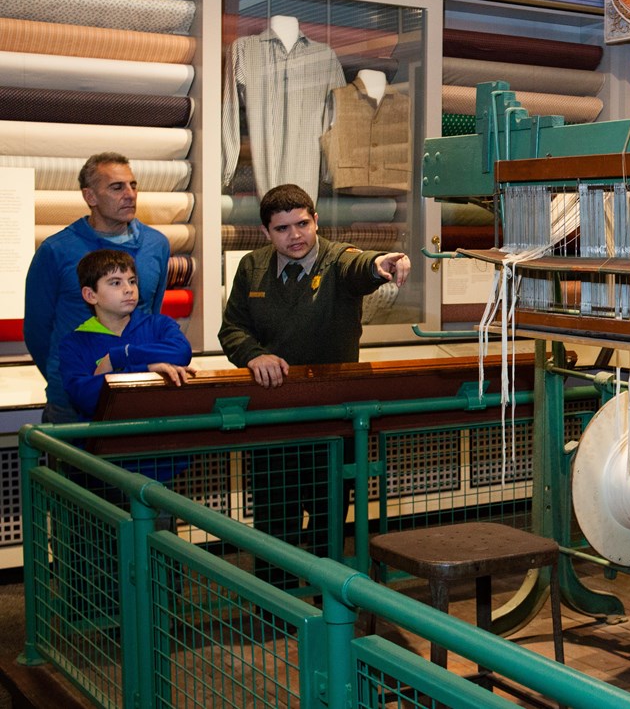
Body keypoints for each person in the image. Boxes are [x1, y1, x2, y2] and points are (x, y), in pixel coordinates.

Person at [218, 183, 409, 588]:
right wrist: (253, 355)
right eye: (282, 228)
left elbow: (360, 266)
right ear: (266, 232)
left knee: (329, 518)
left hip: (332, 419)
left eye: (303, 224)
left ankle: (330, 604)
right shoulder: (252, 266)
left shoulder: (336, 259)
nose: (296, 235)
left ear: (316, 220)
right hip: (274, 417)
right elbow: (232, 328)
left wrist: (380, 264)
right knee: (275, 522)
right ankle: (277, 604)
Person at [24, 152, 172, 424]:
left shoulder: (156, 245)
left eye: (133, 185)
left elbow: (151, 314)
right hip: (72, 401)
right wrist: (70, 376)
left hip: (136, 392)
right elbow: (37, 330)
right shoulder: (56, 250)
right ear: (90, 196)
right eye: (117, 187)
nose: (130, 195)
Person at [60, 249, 195, 482]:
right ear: (90, 295)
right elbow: (84, 395)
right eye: (115, 283)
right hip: (103, 468)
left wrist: (118, 357)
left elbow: (181, 352)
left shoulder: (158, 325)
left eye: (132, 281)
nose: (128, 289)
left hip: (161, 463)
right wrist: (146, 369)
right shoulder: (75, 342)